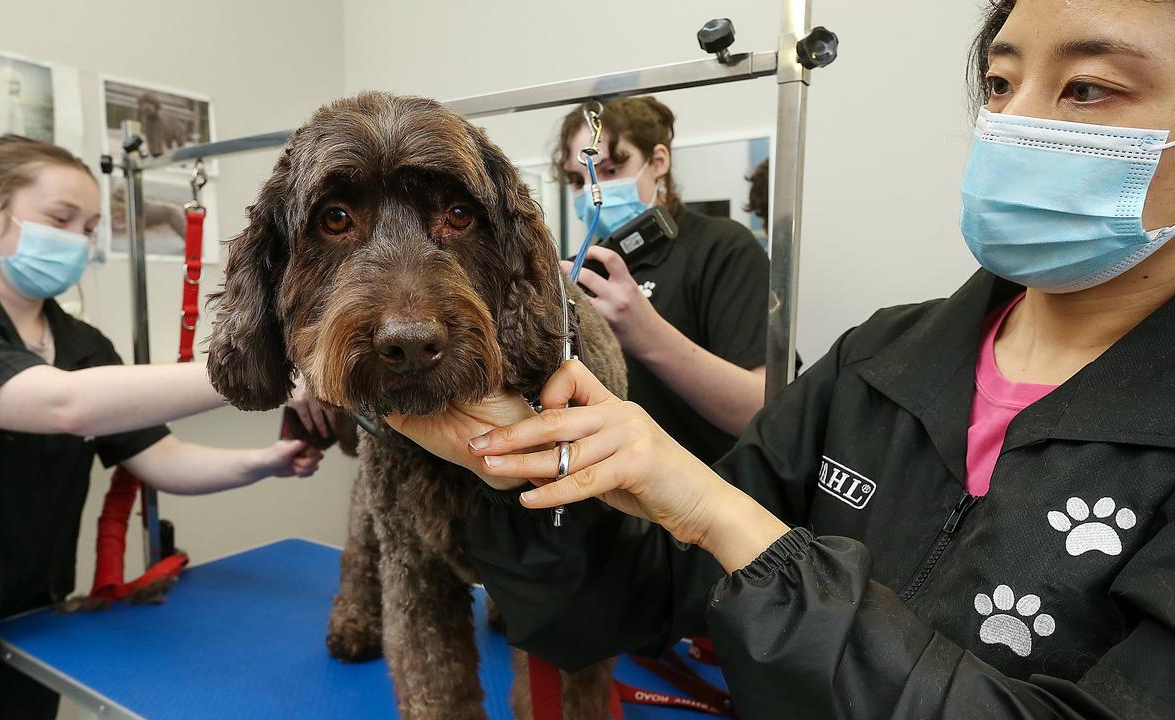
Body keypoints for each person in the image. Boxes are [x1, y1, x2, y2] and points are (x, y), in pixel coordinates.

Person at [389, 1, 1175, 717]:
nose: (1014, 122)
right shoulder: (882, 362)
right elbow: (635, 597)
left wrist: (728, 520)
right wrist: (518, 466)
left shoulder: (725, 255)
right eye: (1000, 83)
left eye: (1089, 88)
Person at [0, 136, 325, 720]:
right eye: (60, 218)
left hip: (35, 618)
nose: (77, 240)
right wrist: (268, 374)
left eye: (90, 227)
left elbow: (159, 458)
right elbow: (63, 405)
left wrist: (262, 463)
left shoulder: (82, 345)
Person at [555, 97, 770, 465]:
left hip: (704, 492)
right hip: (607, 501)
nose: (593, 193)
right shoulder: (578, 269)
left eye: (609, 171)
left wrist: (646, 334)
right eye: (578, 179)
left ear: (658, 162)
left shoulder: (721, 247)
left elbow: (760, 412)